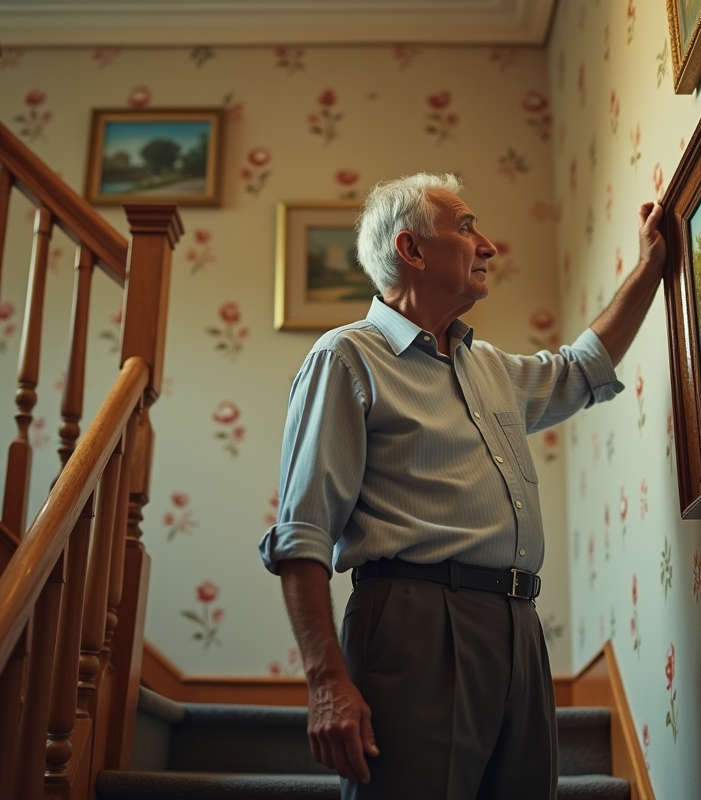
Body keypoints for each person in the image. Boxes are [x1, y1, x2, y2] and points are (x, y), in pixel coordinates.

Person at [258, 172, 666, 800]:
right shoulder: (346, 358)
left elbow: (583, 369)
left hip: (520, 628)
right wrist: (326, 682)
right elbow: (303, 535)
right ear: (412, 251)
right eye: (467, 227)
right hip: (415, 623)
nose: (488, 245)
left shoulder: (490, 367)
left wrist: (649, 270)